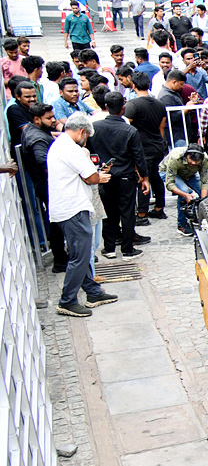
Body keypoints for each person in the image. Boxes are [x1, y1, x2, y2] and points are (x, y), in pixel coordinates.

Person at [48, 114, 118, 316]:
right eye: (86, 136)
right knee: (80, 256)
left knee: (82, 253)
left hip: (67, 208)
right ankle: (67, 300)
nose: (85, 140)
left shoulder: (60, 145)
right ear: (81, 132)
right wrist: (99, 177)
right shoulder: (72, 149)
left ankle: (93, 292)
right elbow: (92, 177)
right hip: (73, 208)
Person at [91, 92, 150, 259]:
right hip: (125, 177)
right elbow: (139, 156)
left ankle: (109, 247)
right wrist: (145, 178)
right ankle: (127, 248)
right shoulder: (130, 130)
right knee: (127, 212)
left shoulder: (96, 128)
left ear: (105, 107)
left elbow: (91, 152)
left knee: (108, 212)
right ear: (122, 109)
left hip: (105, 176)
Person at [21, 103, 68, 271]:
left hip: (47, 184)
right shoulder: (37, 138)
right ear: (37, 119)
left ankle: (61, 258)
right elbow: (43, 160)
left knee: (56, 222)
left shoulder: (36, 131)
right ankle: (60, 260)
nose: (53, 120)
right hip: (48, 185)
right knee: (57, 223)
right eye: (49, 118)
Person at [125, 70, 168, 220]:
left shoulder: (132, 105)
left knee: (143, 179)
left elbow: (127, 128)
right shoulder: (159, 104)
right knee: (155, 176)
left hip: (142, 148)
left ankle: (142, 213)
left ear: (134, 85)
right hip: (157, 145)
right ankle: (159, 207)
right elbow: (161, 128)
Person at [161, 142, 208, 234]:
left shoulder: (205, 159)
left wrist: (203, 200)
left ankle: (203, 219)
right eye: (191, 160)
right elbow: (170, 184)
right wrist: (185, 195)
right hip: (168, 173)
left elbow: (204, 182)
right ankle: (181, 224)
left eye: (196, 161)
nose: (193, 163)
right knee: (184, 191)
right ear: (187, 155)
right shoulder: (175, 158)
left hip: (189, 174)